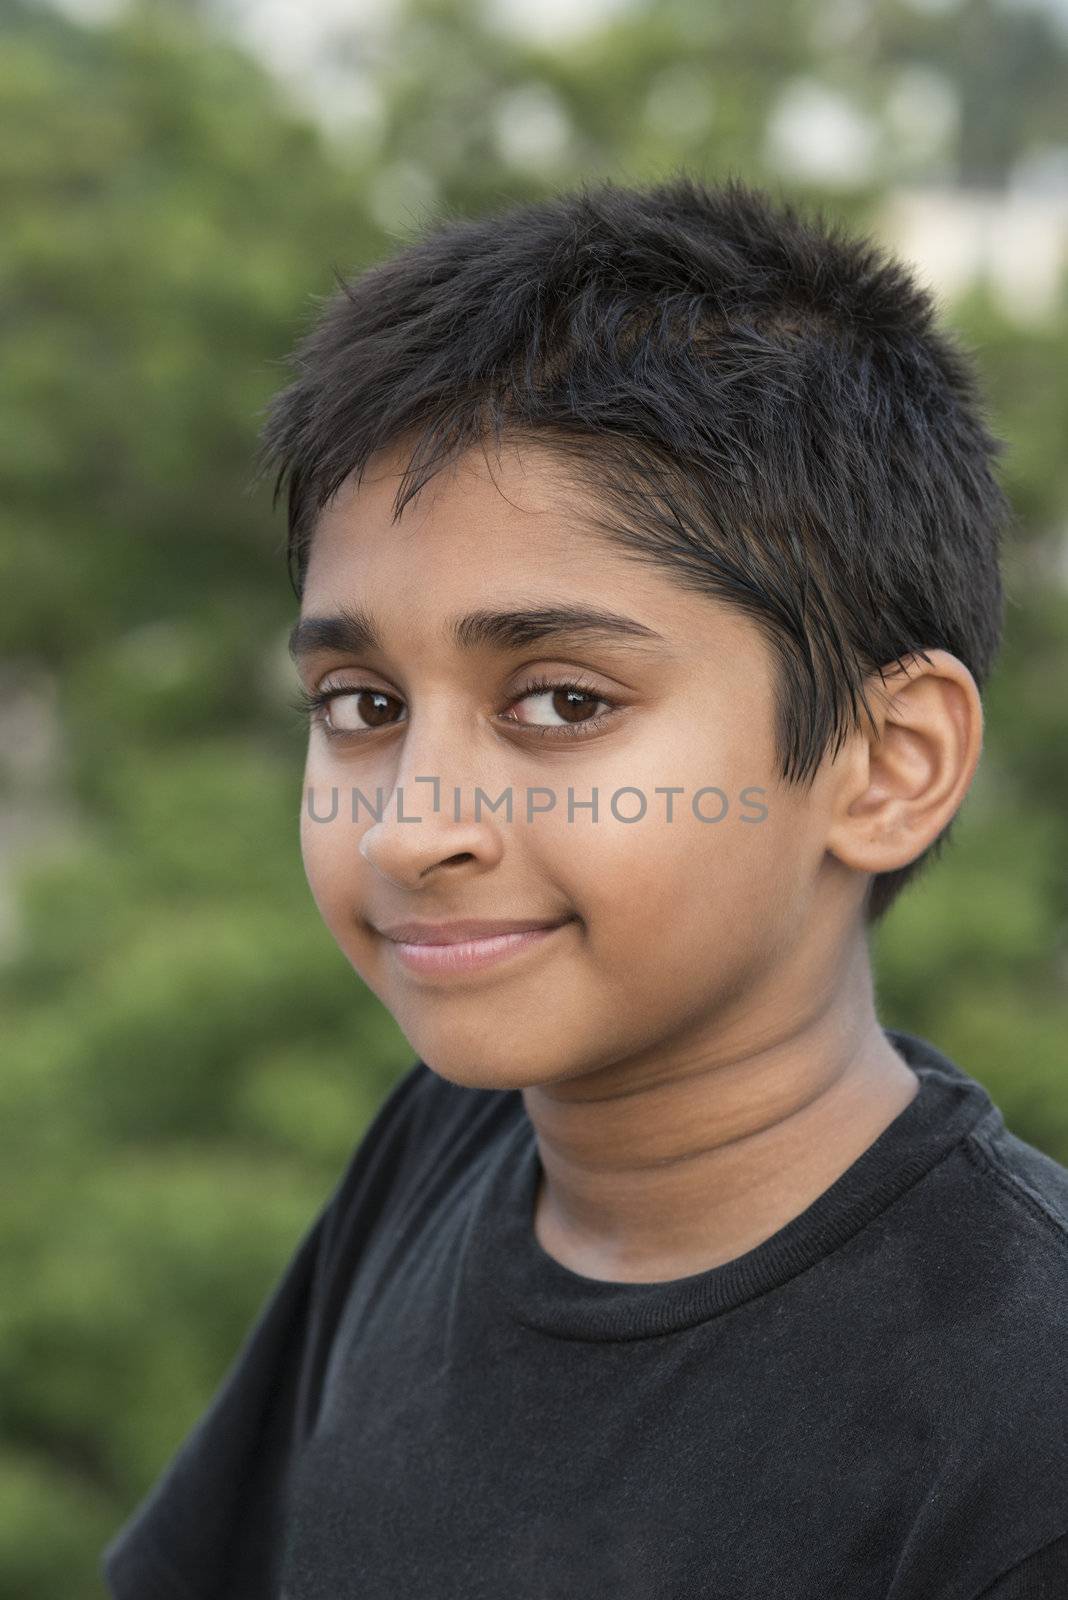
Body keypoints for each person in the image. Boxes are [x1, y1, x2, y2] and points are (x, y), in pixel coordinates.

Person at [101, 172, 1068, 1599]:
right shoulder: (447, 1148)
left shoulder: (1018, 1417)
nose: (411, 830)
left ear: (885, 763)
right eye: (361, 706)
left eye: (559, 701)